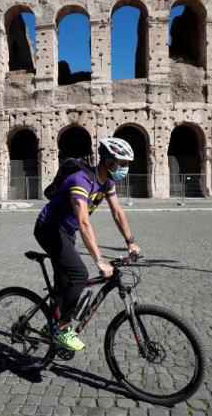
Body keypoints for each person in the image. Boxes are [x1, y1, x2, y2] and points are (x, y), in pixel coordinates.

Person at [34, 137, 141, 351]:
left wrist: (130, 242)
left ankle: (50, 326)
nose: (125, 169)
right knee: (79, 275)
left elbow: (117, 212)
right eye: (122, 163)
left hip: (67, 231)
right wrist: (99, 260)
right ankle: (62, 329)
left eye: (127, 164)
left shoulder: (107, 182)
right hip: (49, 229)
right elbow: (84, 221)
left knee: (64, 283)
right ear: (109, 162)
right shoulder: (80, 180)